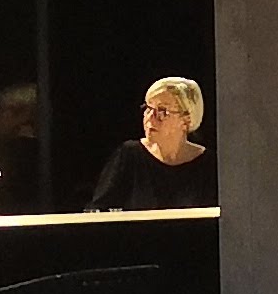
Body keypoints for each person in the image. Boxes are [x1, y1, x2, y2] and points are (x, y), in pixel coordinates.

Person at [88, 75, 219, 210]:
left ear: (186, 120)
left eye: (162, 112)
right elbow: (99, 211)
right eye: (148, 108)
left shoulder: (209, 164)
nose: (150, 118)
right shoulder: (129, 155)